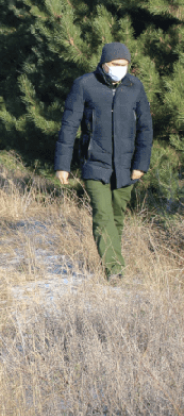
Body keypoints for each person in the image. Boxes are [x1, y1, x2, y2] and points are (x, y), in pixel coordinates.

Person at [54, 43, 152, 281]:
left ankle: (112, 263)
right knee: (103, 216)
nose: (120, 69)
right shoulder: (85, 84)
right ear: (104, 64)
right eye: (115, 65)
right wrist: (62, 165)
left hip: (126, 167)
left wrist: (141, 164)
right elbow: (69, 127)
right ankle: (114, 270)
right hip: (94, 164)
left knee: (117, 217)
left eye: (124, 65)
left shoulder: (134, 86)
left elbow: (146, 128)